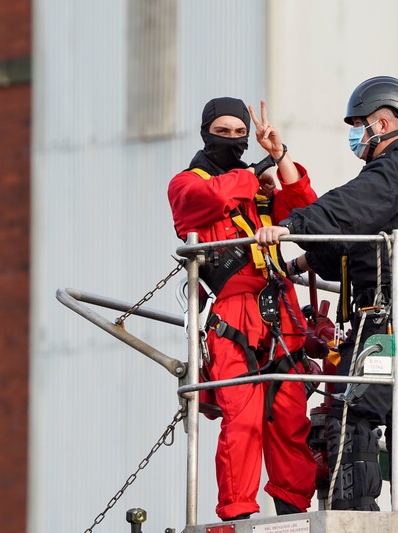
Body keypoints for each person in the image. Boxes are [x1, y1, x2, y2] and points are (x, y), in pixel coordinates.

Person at [255, 76, 398, 518]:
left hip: (390, 317)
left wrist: (292, 227)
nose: (355, 134)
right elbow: (363, 245)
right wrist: (306, 261)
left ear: (381, 123)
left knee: (352, 413)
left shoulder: (396, 168)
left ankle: (355, 519)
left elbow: (349, 209)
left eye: (358, 125)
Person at [167, 97, 317, 521]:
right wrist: (253, 174)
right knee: (242, 422)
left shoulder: (259, 191)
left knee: (290, 419)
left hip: (280, 311)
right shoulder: (187, 184)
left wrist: (278, 154)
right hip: (234, 314)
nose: (233, 140)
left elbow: (307, 208)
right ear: (206, 132)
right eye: (223, 131)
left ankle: (293, 516)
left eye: (240, 133)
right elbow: (209, 198)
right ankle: (237, 520)